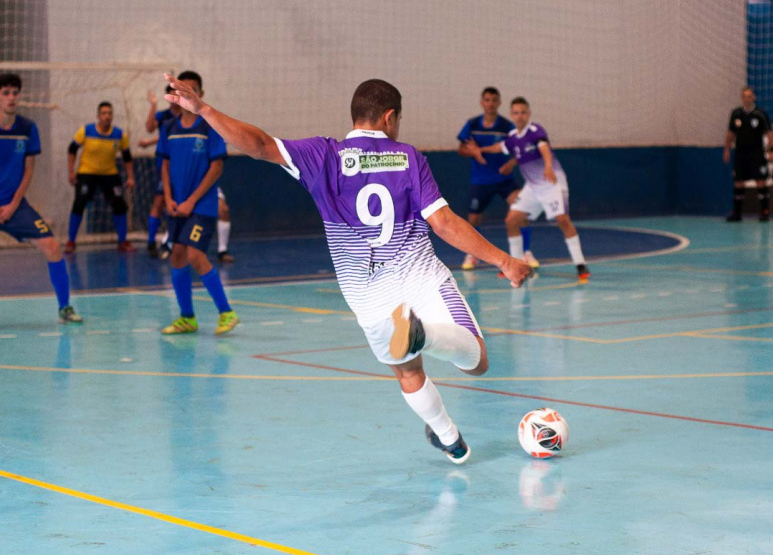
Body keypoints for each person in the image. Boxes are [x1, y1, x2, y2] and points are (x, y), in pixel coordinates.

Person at [164, 74, 531, 463]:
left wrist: (204, 109)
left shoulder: (323, 156)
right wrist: (504, 261)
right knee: (476, 361)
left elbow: (258, 145)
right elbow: (443, 223)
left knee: (408, 372)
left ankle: (450, 439)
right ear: (389, 118)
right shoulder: (408, 157)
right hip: (422, 277)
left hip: (368, 293)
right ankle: (425, 338)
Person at [0, 73, 82, 324]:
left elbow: (28, 169)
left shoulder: (27, 128)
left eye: (15, 93)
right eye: (5, 93)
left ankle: (65, 308)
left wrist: (13, 204)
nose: (11, 98)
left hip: (14, 205)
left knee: (52, 247)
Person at [156, 70, 238, 335]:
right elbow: (165, 166)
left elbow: (217, 168)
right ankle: (187, 318)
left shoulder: (209, 126)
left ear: (200, 95)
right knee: (177, 257)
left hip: (201, 206)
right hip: (177, 205)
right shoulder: (169, 127)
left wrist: (192, 200)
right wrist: (168, 198)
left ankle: (227, 313)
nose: (186, 94)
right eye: (182, 89)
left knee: (194, 254)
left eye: (192, 90)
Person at [474, 97, 590, 282]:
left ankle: (580, 264)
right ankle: (515, 265)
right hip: (533, 188)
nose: (519, 116)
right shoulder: (513, 137)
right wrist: (481, 150)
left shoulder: (535, 131)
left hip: (551, 182)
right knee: (511, 220)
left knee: (563, 220)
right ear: (512, 115)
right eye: (516, 113)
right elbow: (500, 147)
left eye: (523, 112)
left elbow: (544, 148)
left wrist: (548, 166)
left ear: (528, 114)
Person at [457, 87, 537, 270]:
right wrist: (473, 152)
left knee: (521, 211)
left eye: (494, 100)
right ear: (481, 102)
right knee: (473, 219)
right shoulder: (472, 124)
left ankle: (526, 252)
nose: (490, 104)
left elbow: (522, 149)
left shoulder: (507, 126)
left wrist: (511, 163)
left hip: (504, 180)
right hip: (481, 181)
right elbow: (461, 149)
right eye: (487, 100)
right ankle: (472, 254)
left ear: (499, 103)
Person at [65, 101, 136, 253]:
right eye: (103, 113)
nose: (107, 116)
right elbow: (72, 150)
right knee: (79, 203)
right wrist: (71, 171)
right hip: (87, 173)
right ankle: (71, 241)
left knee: (119, 204)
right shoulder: (86, 131)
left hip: (109, 173)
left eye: (109, 113)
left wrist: (130, 177)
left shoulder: (119, 135)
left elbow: (127, 158)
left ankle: (122, 241)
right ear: (98, 116)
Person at [723, 87, 773, 222]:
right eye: (744, 96)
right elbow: (730, 134)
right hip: (741, 154)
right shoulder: (736, 114)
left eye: (749, 96)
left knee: (760, 181)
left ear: (754, 98)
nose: (747, 99)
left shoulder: (760, 114)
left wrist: (771, 150)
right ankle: (737, 214)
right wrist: (727, 149)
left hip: (756, 153)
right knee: (738, 182)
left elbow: (770, 134)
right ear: (742, 98)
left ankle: (765, 212)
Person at [139, 85, 181, 257]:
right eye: (171, 93)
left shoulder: (188, 117)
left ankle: (172, 241)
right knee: (159, 201)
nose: (174, 96)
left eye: (176, 93)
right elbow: (150, 128)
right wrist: (153, 106)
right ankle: (151, 242)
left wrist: (149, 142)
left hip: (183, 166)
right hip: (164, 165)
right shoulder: (163, 116)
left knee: (179, 203)